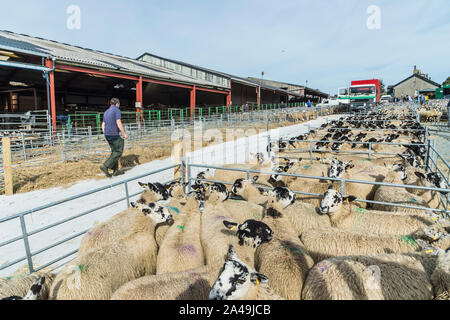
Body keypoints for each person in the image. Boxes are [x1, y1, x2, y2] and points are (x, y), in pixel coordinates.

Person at [100, 98, 129, 178]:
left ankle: (115, 171)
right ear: (117, 104)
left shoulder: (106, 112)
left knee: (114, 152)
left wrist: (105, 135)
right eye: (119, 104)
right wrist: (124, 133)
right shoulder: (116, 110)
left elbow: (103, 125)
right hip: (114, 134)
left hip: (108, 134)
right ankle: (105, 166)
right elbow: (118, 122)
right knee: (119, 151)